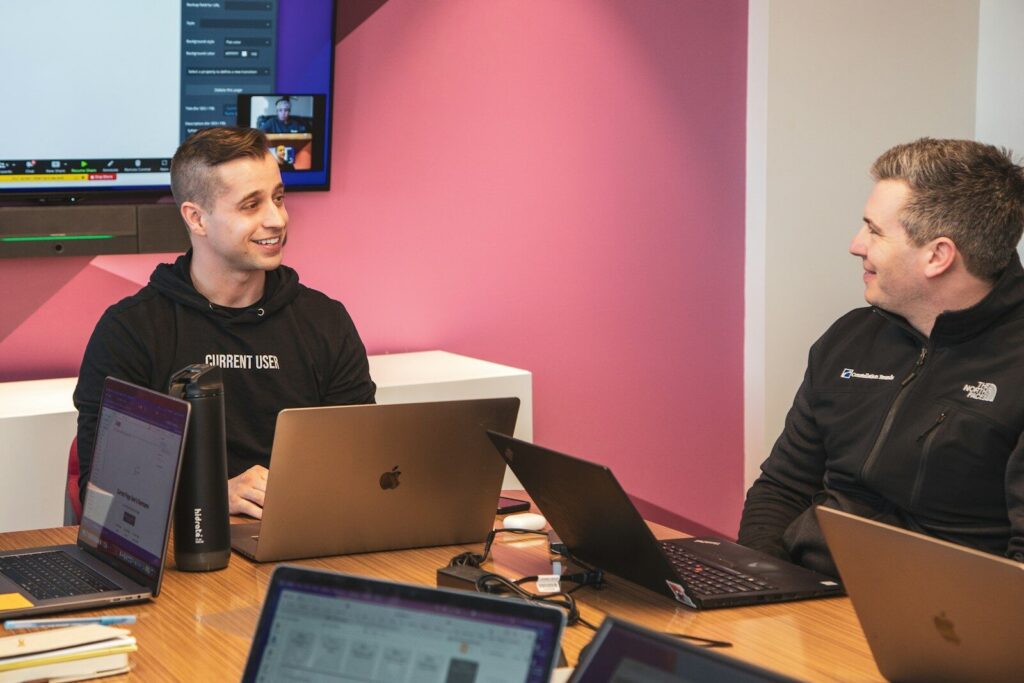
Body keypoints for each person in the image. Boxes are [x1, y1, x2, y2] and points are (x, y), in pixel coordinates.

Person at [738, 138, 1024, 577]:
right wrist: (758, 582)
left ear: (938, 256)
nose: (856, 245)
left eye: (874, 231)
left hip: (936, 612)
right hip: (807, 592)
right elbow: (783, 489)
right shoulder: (850, 338)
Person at [73, 126, 375, 518]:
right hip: (183, 543)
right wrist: (212, 497)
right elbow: (103, 494)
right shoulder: (131, 331)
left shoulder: (325, 322)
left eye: (278, 198)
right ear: (196, 218)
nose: (277, 219)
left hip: (301, 532)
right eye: (251, 205)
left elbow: (361, 466)